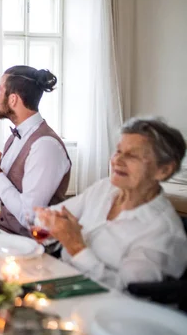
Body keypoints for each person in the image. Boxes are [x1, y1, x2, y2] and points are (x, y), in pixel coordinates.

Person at [36, 118, 187, 290]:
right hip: (61, 280)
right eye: (118, 151)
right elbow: (47, 217)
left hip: (104, 307)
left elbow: (128, 294)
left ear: (164, 170)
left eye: (132, 155)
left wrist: (76, 247)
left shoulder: (162, 232)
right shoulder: (105, 188)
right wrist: (50, 222)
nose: (118, 160)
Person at [0, 66, 71, 237]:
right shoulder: (14, 138)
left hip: (35, 248)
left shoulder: (46, 146)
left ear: (13, 99)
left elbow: (29, 217)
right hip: (7, 236)